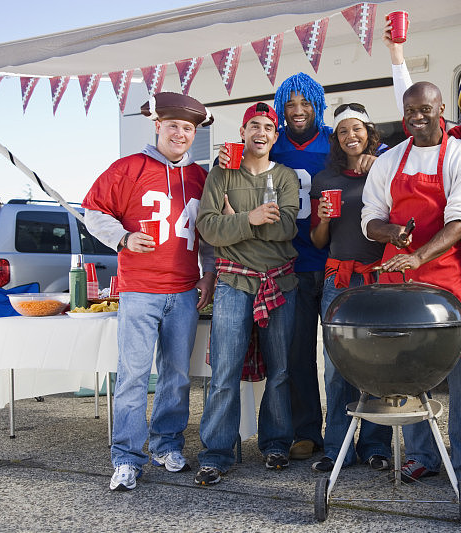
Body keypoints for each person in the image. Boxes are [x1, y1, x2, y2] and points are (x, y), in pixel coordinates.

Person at [219, 73, 378, 460]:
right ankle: (306, 431)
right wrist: (225, 157)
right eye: (290, 104)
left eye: (305, 103)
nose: (298, 110)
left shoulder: (335, 138)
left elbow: (371, 148)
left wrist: (378, 156)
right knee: (296, 355)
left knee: (350, 355)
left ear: (318, 105)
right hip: (291, 263)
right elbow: (243, 165)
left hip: (337, 262)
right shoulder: (272, 141)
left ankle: (360, 435)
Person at [82, 92, 216, 491]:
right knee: (133, 377)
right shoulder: (128, 168)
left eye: (188, 128)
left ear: (194, 134)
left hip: (185, 291)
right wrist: (123, 237)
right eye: (173, 125)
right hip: (140, 290)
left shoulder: (200, 177)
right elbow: (94, 212)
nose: (180, 133)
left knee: (176, 376)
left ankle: (166, 445)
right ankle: (126, 457)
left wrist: (209, 273)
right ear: (158, 126)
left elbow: (208, 234)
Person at [361, 81, 461, 496]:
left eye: (425, 109)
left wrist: (419, 255)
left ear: (441, 109)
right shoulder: (389, 161)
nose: (417, 117)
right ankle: (422, 455)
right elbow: (370, 218)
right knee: (405, 368)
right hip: (396, 277)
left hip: (444, 276)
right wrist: (392, 232)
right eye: (410, 111)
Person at [194, 102, 300, 484]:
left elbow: (287, 228)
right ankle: (217, 453)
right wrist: (252, 218)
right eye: (253, 125)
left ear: (275, 136)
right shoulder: (221, 174)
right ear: (242, 132)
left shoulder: (285, 176)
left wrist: (235, 223)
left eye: (268, 127)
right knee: (225, 372)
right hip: (233, 282)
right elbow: (208, 228)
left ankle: (276, 444)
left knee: (280, 371)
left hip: (278, 281)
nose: (260, 132)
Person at [308, 103, 392, 473]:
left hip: (376, 277)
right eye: (343, 131)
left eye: (356, 129)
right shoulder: (325, 179)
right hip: (338, 279)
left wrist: (380, 167)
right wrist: (325, 219)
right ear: (336, 139)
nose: (350, 136)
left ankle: (376, 445)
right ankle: (336, 447)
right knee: (336, 366)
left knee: (377, 363)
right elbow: (318, 240)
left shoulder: (385, 168)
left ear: (368, 132)